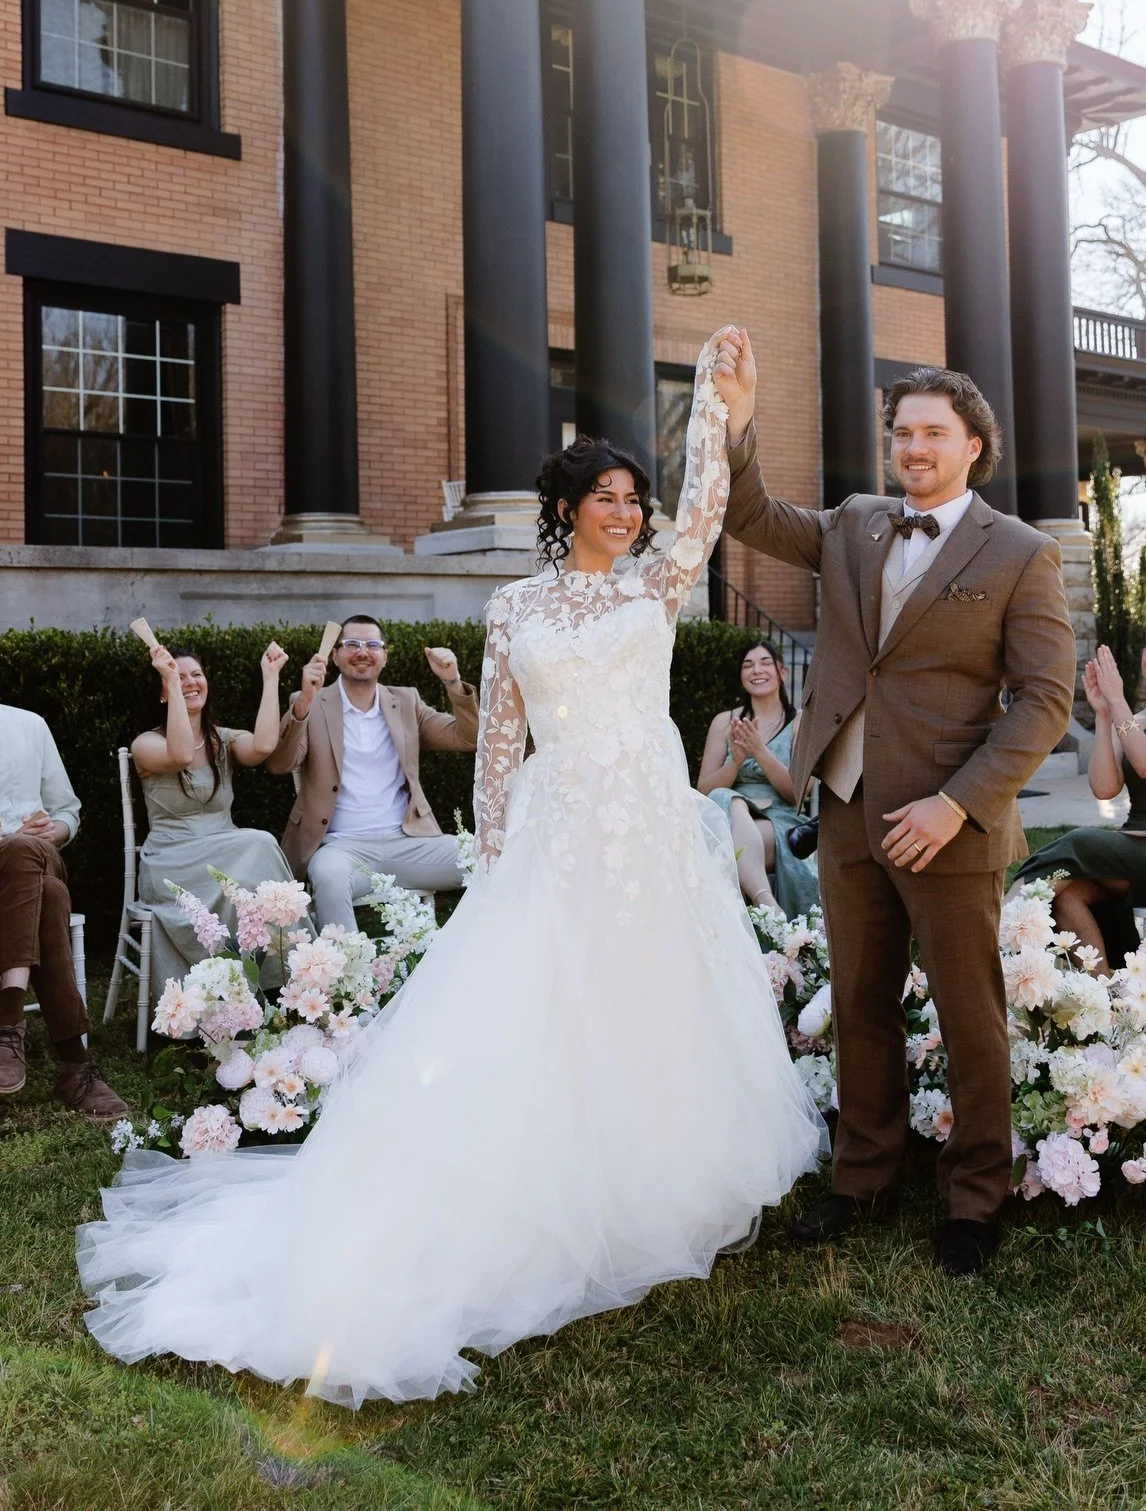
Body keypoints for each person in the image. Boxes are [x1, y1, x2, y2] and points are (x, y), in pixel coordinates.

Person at [78, 332, 823, 1404]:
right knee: (547, 1003)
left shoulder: (659, 582)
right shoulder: (512, 608)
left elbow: (707, 504)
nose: (625, 510)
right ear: (565, 509)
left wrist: (721, 402)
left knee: (654, 993)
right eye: (605, 496)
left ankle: (653, 1178)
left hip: (651, 822)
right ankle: (538, 1188)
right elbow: (502, 742)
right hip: (561, 824)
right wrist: (494, 845)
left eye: (633, 497)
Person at [714, 339, 1075, 1277]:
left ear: (973, 445)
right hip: (844, 807)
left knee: (969, 1013)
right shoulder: (852, 524)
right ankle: (862, 1175)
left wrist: (958, 807)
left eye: (932, 432)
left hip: (948, 822)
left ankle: (973, 1197)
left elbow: (1045, 702)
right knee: (860, 1002)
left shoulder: (1024, 553)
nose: (912, 446)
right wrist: (740, 416)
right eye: (902, 431)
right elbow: (746, 511)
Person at [1017, 624, 1146, 970]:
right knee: (1069, 894)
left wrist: (1117, 702)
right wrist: (1103, 714)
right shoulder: (1135, 720)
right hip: (1135, 852)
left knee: (1081, 841)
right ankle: (1103, 1004)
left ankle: (1004, 926)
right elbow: (1104, 788)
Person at [266, 617, 478, 931]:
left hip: (411, 844)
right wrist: (304, 703)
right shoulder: (311, 702)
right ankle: (347, 976)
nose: (362, 652)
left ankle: (476, 966)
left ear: (385, 655)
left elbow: (468, 737)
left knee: (489, 859)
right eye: (352, 644)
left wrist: (452, 682)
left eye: (372, 645)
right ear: (335, 655)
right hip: (342, 849)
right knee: (327, 876)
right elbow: (279, 764)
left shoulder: (405, 701)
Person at [132, 642, 300, 989]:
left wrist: (271, 678)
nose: (190, 681)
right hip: (173, 861)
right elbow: (179, 755)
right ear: (162, 692)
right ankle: (286, 974)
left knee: (252, 867)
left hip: (225, 857)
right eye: (178, 678)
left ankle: (274, 983)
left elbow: (265, 747)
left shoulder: (222, 741)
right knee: (260, 843)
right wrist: (174, 686)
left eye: (196, 674)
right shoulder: (145, 745)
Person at [0, 701, 128, 1120]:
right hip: (28, 872)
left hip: (37, 854)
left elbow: (66, 810)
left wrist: (55, 829)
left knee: (26, 853)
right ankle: (75, 1065)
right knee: (51, 894)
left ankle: (8, 1025)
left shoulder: (29, 724)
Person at [699, 639, 817, 915]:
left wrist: (759, 751)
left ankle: (762, 909)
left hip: (778, 818)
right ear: (741, 676)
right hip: (726, 817)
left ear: (782, 673)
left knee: (727, 844)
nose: (757, 670)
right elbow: (704, 791)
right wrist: (735, 763)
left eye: (766, 663)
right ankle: (768, 906)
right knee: (724, 797)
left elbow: (798, 793)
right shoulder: (723, 722)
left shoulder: (800, 722)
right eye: (748, 665)